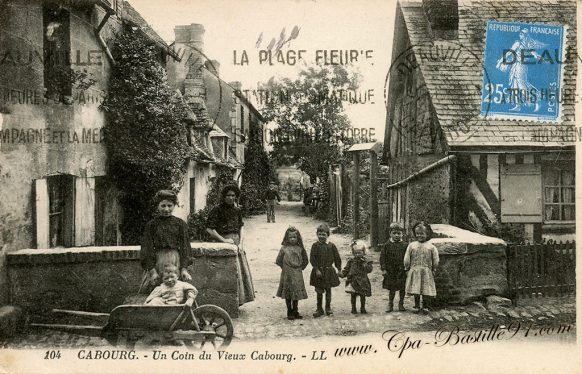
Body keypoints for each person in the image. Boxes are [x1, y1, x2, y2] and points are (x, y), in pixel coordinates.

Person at [206, 184, 255, 305]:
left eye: (233, 195)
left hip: (236, 242)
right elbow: (209, 229)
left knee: (239, 271)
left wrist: (241, 242)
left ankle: (239, 300)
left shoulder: (237, 210)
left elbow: (241, 227)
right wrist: (223, 240)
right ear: (223, 196)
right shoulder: (217, 210)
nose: (231, 198)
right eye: (228, 195)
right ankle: (223, 301)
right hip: (223, 242)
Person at [141, 190, 192, 290]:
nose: (166, 209)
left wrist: (184, 269)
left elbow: (185, 247)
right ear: (158, 206)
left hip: (175, 261)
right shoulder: (151, 225)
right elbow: (147, 248)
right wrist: (152, 271)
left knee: (177, 289)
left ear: (174, 206)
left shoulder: (180, 224)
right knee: (157, 289)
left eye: (170, 205)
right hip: (158, 261)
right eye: (163, 206)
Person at [404, 221, 439, 314]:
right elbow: (407, 257)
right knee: (416, 288)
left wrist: (434, 269)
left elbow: (435, 259)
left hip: (426, 271)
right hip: (415, 270)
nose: (419, 235)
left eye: (422, 233)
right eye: (417, 234)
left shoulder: (431, 247)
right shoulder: (412, 245)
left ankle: (425, 306)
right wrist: (407, 268)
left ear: (427, 234)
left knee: (425, 288)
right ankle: (416, 305)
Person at [275, 226, 309, 320]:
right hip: (287, 275)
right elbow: (278, 260)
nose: (293, 239)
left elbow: (306, 260)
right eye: (290, 237)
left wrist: (300, 268)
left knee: (296, 293)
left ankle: (295, 310)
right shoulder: (284, 249)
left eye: (295, 237)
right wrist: (285, 268)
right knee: (288, 293)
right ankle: (289, 310)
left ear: (298, 238)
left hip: (297, 275)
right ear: (287, 238)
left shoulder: (300, 249)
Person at [309, 223, 341, 317]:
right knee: (319, 291)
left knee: (328, 290)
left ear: (327, 235)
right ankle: (319, 309)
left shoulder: (331, 246)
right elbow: (312, 259)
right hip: (318, 272)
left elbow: (337, 258)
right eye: (319, 234)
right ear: (317, 234)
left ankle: (328, 307)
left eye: (324, 234)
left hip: (328, 272)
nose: (321, 236)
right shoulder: (315, 246)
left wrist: (339, 269)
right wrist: (316, 269)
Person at [380, 222, 408, 312]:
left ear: (402, 234)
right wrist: (384, 269)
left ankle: (401, 304)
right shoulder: (387, 245)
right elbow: (382, 258)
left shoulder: (405, 245)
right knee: (392, 288)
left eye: (399, 233)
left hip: (401, 270)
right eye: (394, 233)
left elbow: (408, 258)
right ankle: (390, 304)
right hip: (391, 270)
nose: (396, 235)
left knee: (402, 287)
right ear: (390, 234)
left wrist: (407, 268)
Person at [339, 240, 373, 314]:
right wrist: (342, 274)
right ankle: (353, 308)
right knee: (353, 295)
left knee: (362, 295)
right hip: (353, 280)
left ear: (363, 253)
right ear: (353, 253)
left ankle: (362, 308)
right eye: (356, 253)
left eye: (359, 253)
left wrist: (366, 265)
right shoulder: (351, 261)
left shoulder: (365, 261)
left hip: (362, 280)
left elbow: (369, 270)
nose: (357, 255)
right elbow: (347, 269)